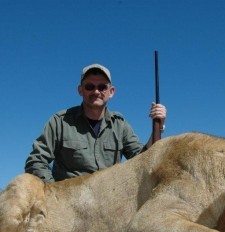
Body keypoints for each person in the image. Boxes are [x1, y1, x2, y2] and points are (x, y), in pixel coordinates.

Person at [25, 64, 167, 182]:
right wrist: (54, 193)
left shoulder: (120, 124)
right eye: (89, 87)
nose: (96, 91)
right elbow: (36, 162)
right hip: (68, 204)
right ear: (80, 90)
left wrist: (158, 126)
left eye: (102, 87)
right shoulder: (60, 121)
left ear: (111, 92)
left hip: (109, 201)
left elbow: (143, 159)